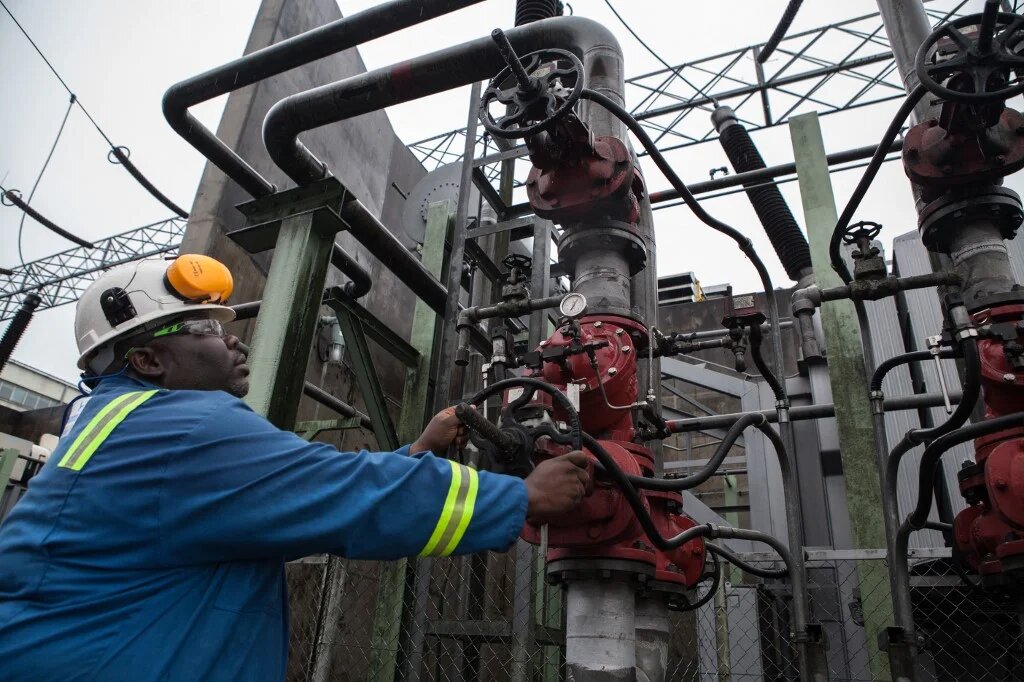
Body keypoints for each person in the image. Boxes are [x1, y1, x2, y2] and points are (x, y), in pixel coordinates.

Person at [0, 255, 590, 681]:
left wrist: (417, 453)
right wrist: (521, 498)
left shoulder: (117, 428)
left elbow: (302, 496)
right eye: (206, 328)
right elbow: (346, 494)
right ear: (148, 358)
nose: (233, 341)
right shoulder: (182, 429)